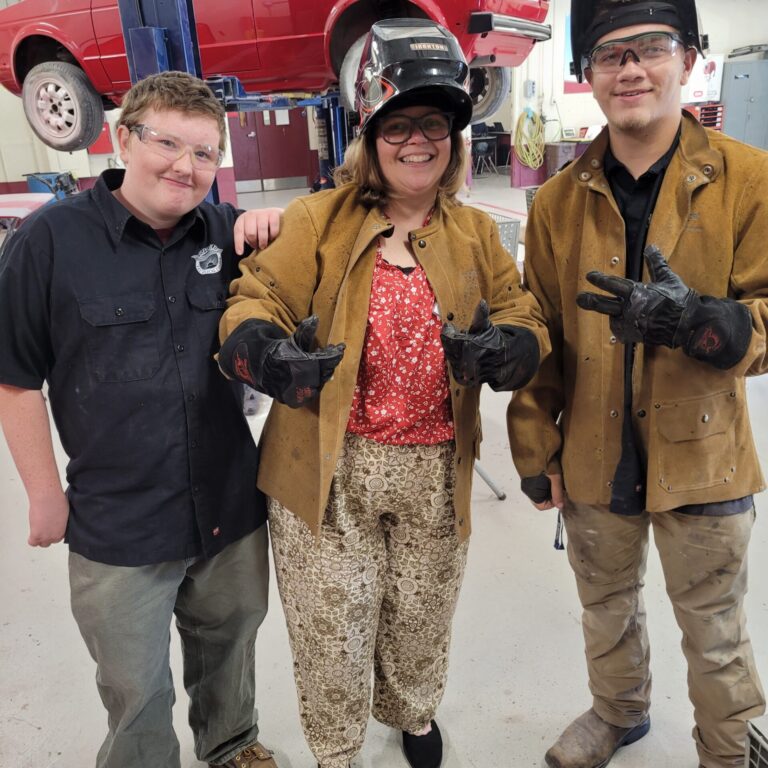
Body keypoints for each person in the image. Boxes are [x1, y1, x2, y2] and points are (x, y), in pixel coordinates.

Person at [217, 18, 550, 768]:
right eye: (399, 124)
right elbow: (254, 298)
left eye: (433, 124)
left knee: (420, 616)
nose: (417, 141)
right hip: (330, 473)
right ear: (370, 132)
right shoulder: (318, 219)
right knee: (331, 625)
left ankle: (413, 715)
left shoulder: (472, 235)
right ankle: (337, 750)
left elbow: (523, 309)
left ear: (455, 138)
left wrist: (512, 345)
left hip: (435, 470)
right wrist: (266, 355)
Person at [507, 2, 768, 767]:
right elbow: (542, 330)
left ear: (688, 58)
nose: (630, 70)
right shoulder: (555, 202)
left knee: (714, 626)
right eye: (609, 55)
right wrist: (534, 451)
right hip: (594, 451)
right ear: (587, 76)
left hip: (704, 452)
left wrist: (700, 321)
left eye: (649, 48)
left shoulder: (748, 180)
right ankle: (618, 711)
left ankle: (729, 750)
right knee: (605, 606)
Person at [0, 71, 282, 768]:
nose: (185, 168)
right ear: (123, 138)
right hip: (119, 523)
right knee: (136, 683)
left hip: (227, 505)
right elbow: (13, 379)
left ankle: (232, 743)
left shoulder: (228, 233)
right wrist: (44, 495)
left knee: (230, 647)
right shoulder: (48, 243)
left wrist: (279, 226)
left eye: (205, 153)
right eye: (167, 143)